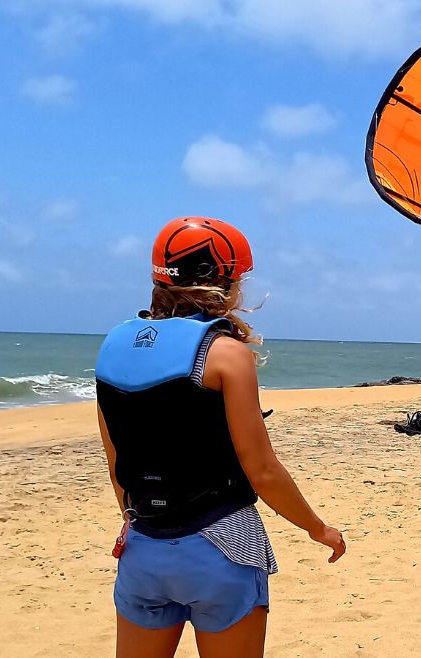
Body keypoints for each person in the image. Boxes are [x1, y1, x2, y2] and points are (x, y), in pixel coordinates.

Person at [95, 216, 346, 658]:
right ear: (220, 281)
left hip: (143, 549)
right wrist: (317, 528)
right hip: (222, 545)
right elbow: (262, 469)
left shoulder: (113, 346)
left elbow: (118, 463)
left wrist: (134, 519)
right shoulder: (224, 353)